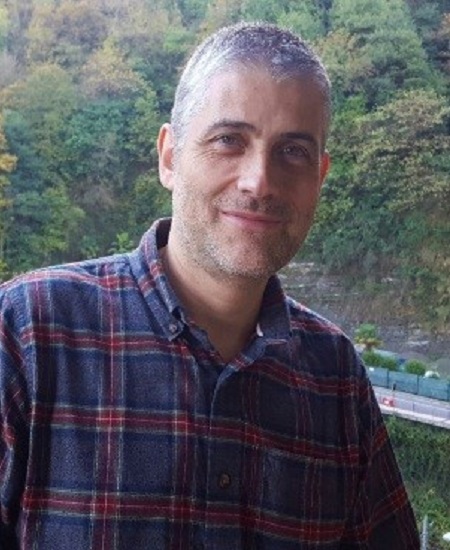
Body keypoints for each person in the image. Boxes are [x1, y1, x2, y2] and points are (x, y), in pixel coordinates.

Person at [0, 22, 420, 550]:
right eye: (228, 140)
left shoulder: (334, 377)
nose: (258, 181)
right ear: (169, 157)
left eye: (292, 151)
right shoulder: (28, 333)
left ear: (320, 175)